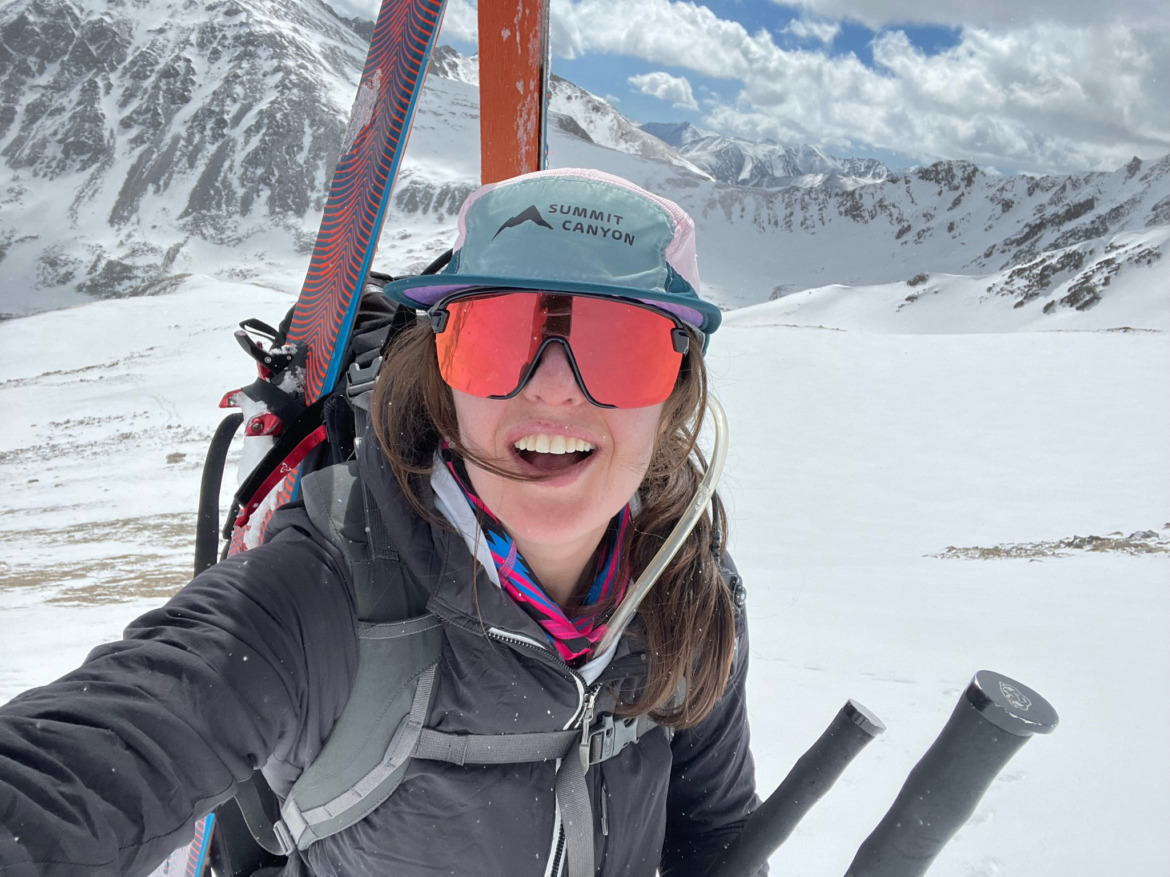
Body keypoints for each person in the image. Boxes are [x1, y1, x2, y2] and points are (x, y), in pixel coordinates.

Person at [0, 168, 761, 876]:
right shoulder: (323, 597)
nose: (555, 391)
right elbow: (75, 772)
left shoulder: (688, 591)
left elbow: (716, 833)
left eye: (620, 347)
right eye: (496, 341)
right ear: (443, 372)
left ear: (677, 394)